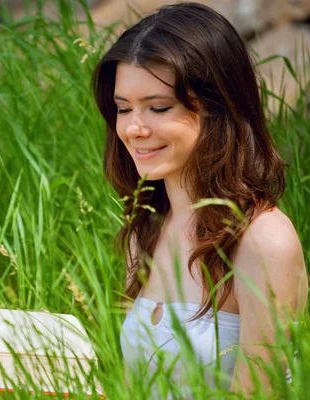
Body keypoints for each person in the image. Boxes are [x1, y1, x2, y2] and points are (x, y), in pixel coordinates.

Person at [91, 2, 308, 397]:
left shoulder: (263, 240)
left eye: (158, 107)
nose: (133, 128)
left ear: (217, 108)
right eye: (123, 109)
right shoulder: (147, 227)